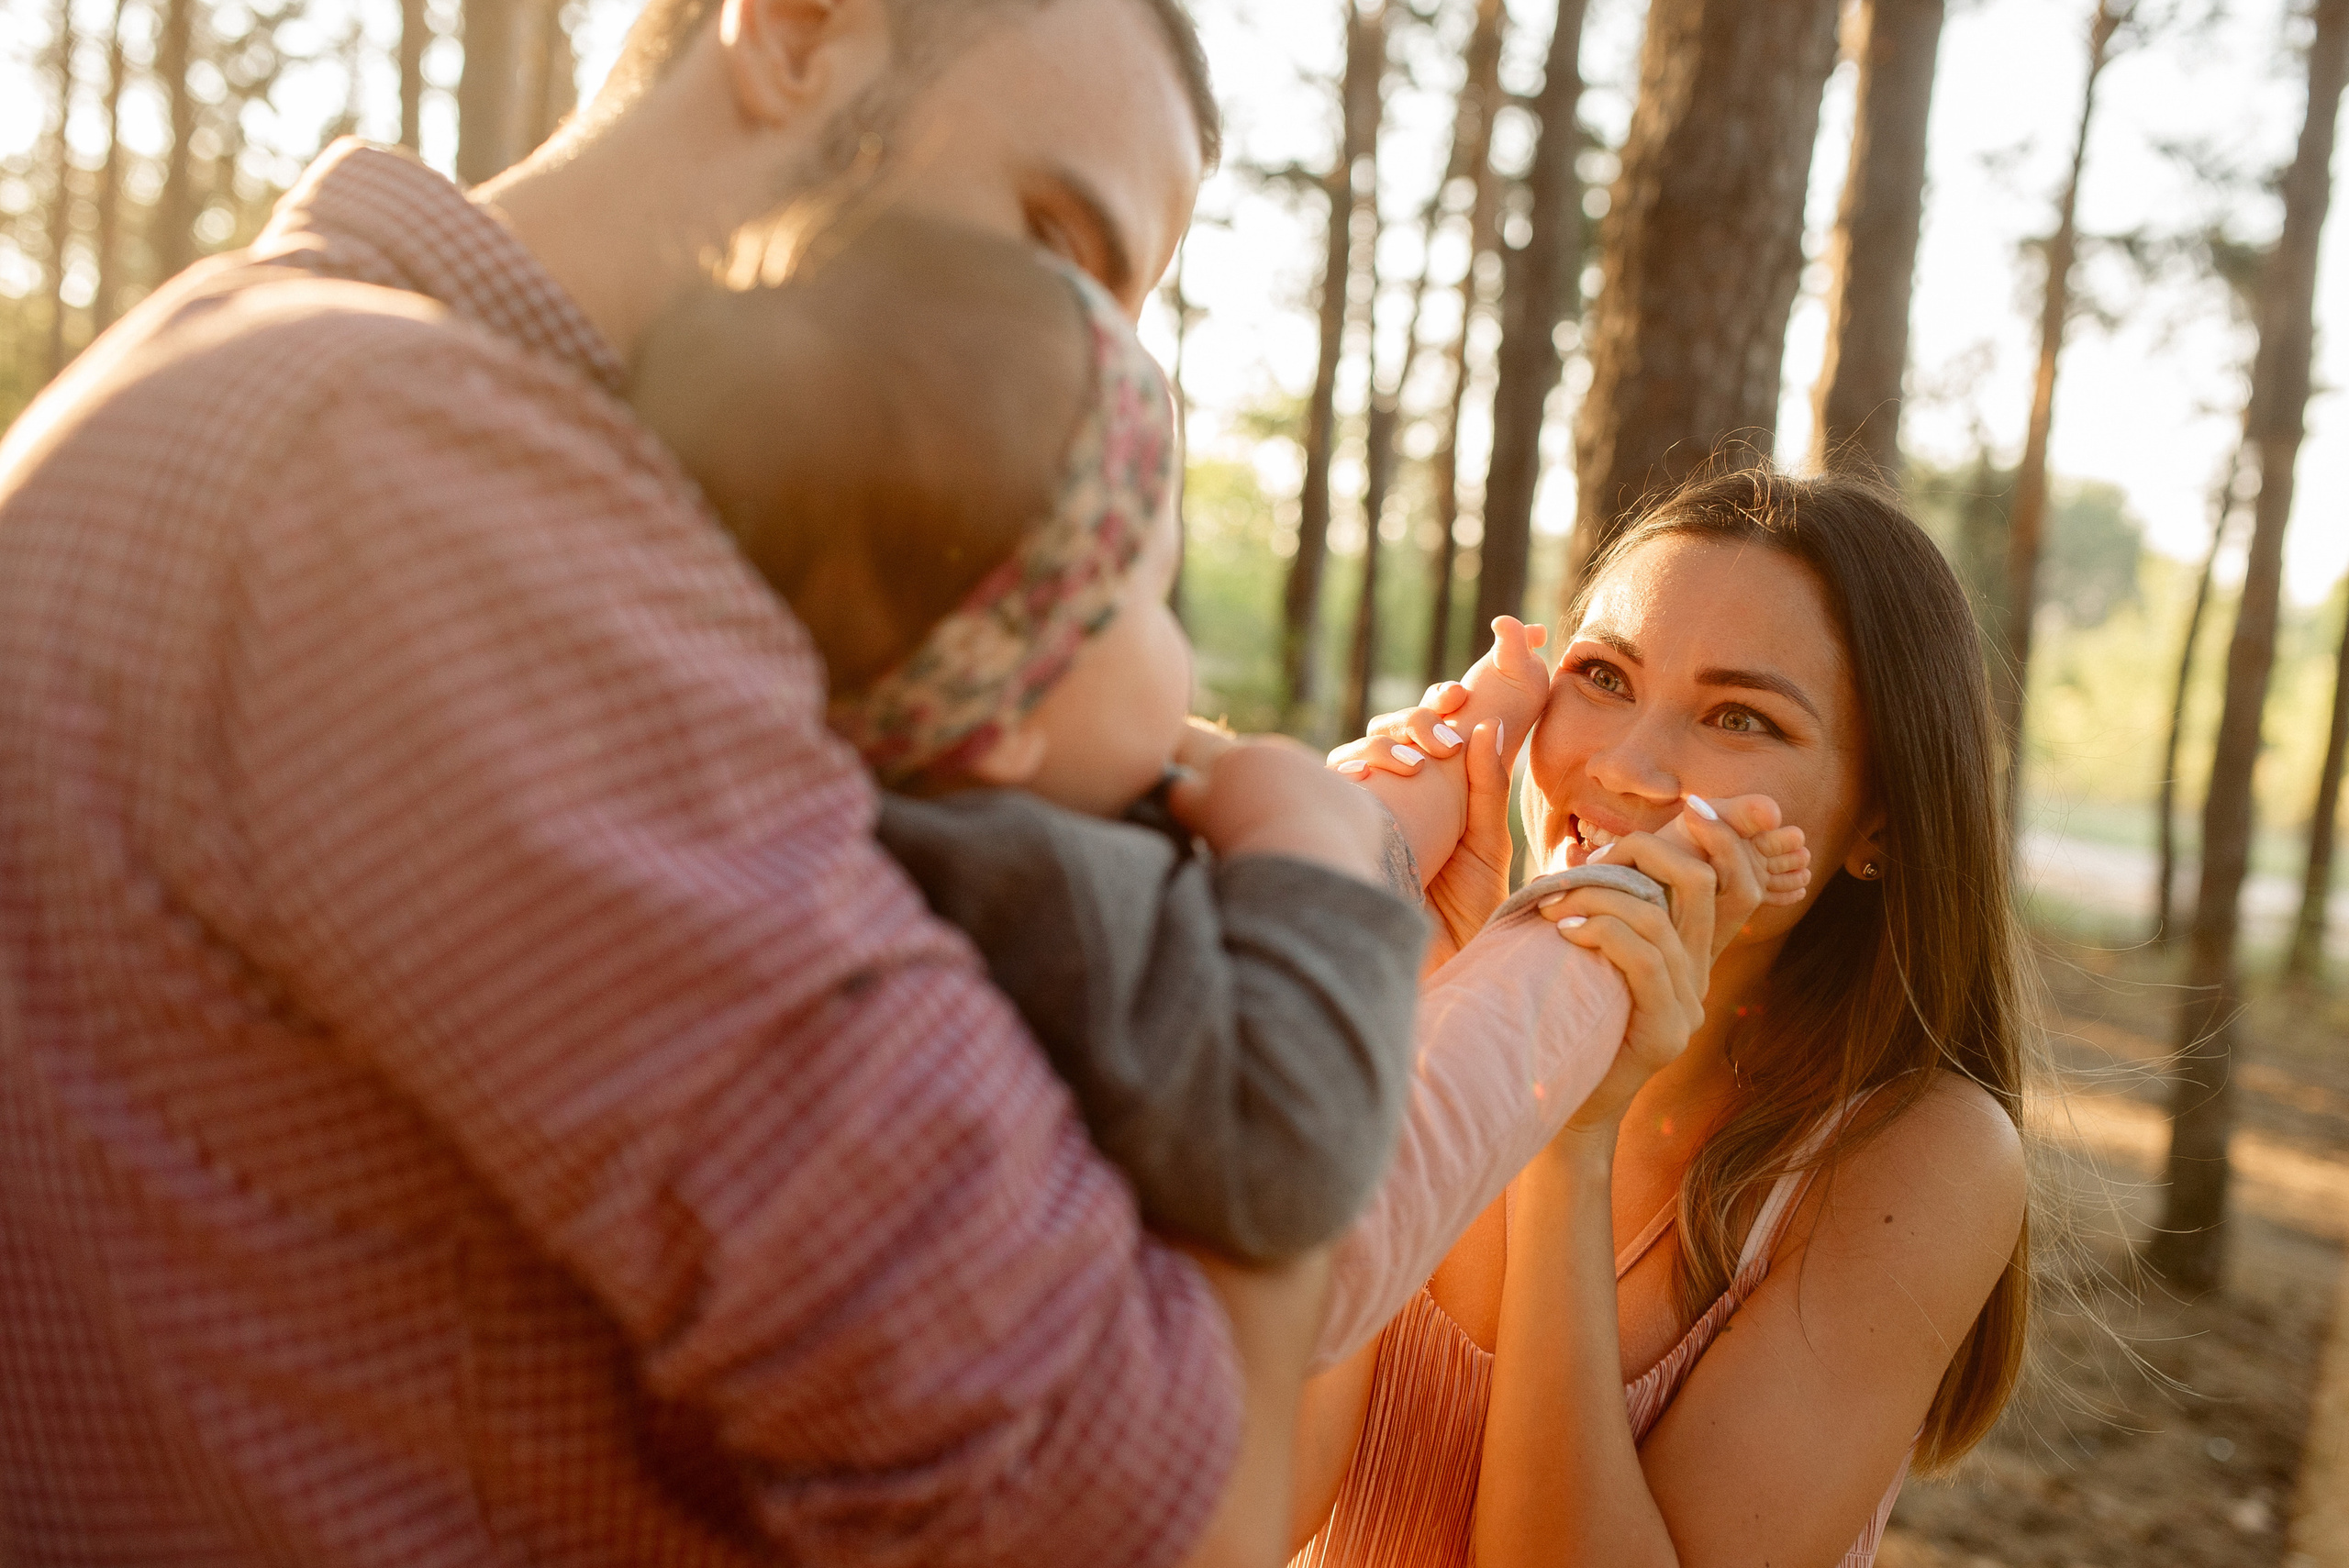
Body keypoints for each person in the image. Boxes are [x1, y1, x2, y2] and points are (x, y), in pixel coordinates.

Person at [0, 1, 1739, 1562]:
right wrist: (1371, 923)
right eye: (1057, 241)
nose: (1084, 382)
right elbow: (1123, 1479)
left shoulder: (290, 390)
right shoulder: (429, 493)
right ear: (798, 30)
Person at [629, 207, 1429, 1262]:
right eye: (1151, 597)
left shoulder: (846, 817)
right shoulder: (1032, 888)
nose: (1177, 644)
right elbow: (1291, 1146)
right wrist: (1308, 844)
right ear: (1001, 711)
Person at [1296, 468, 2035, 1568]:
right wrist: (1369, 998)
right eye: (1600, 675)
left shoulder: (1919, 1158)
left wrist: (1569, 1132)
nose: (1624, 764)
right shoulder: (1433, 1006)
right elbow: (1253, 1507)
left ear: (1878, 818)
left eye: (1740, 716)